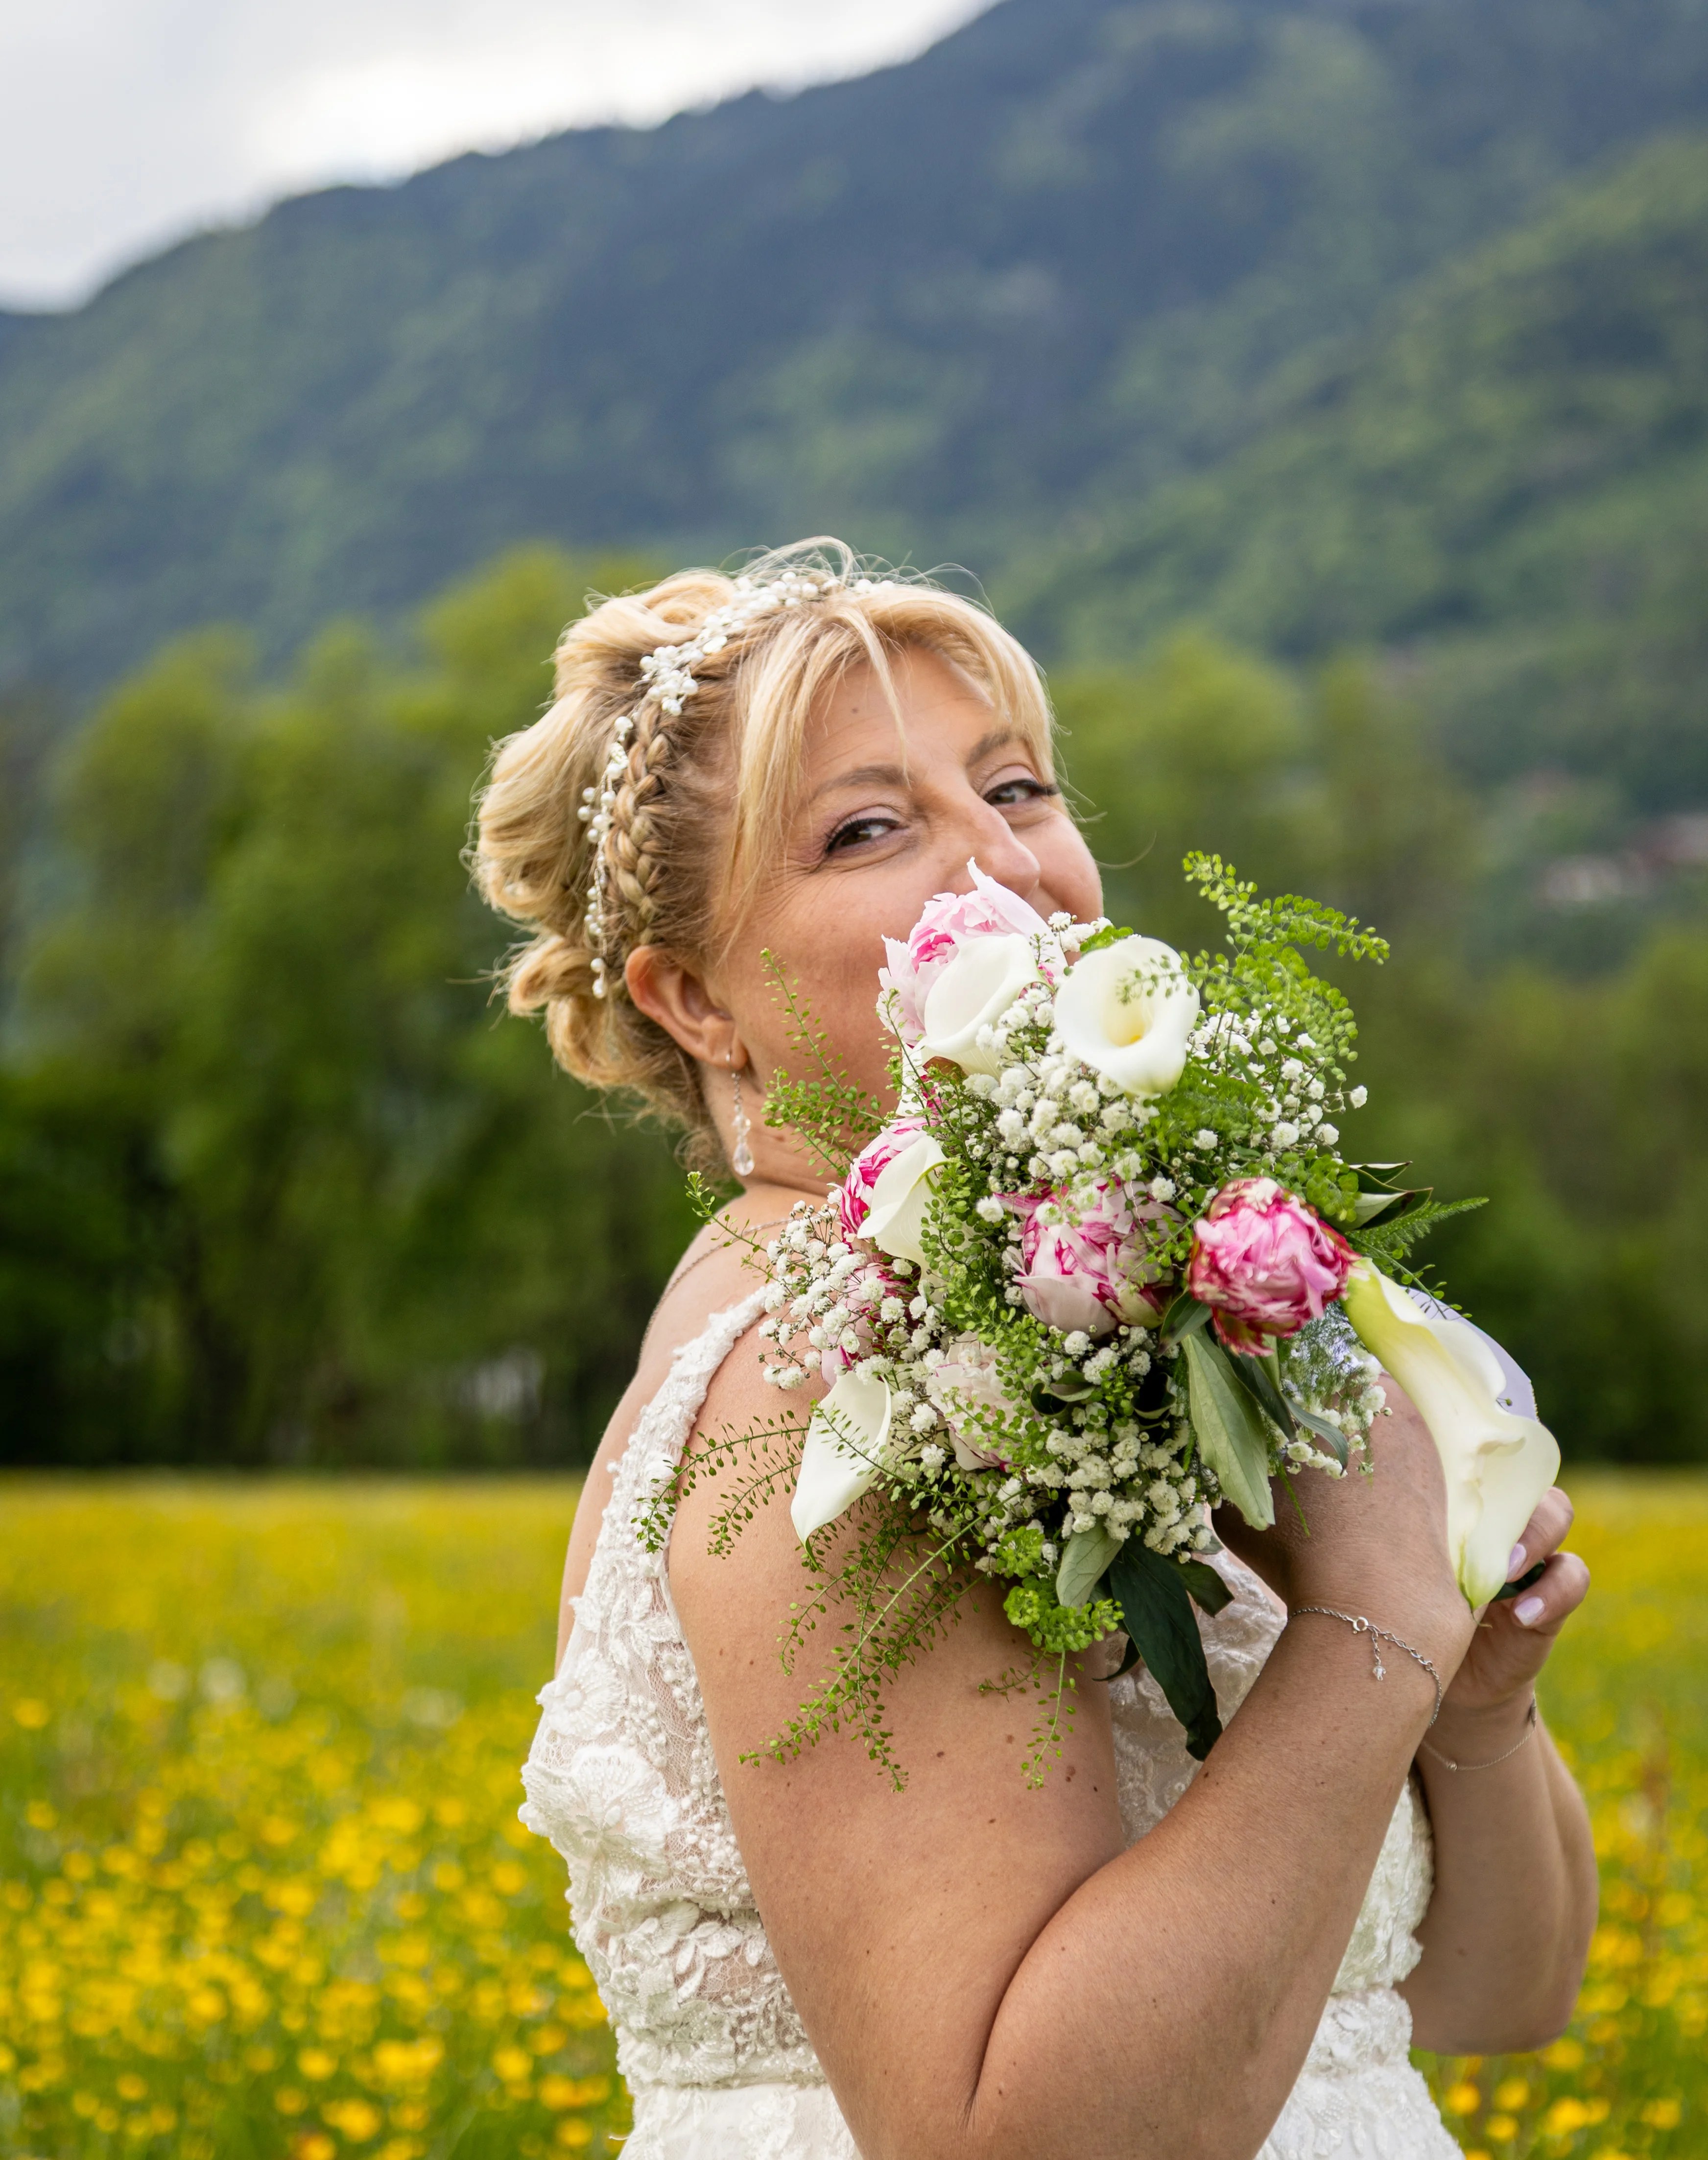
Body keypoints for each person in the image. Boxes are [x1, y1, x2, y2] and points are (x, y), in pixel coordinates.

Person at [475, 541, 1597, 2160]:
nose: (1005, 865)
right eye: (870, 825)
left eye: (1020, 788)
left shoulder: (1089, 1315)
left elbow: (1488, 1993)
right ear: (693, 999)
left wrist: (1466, 1705)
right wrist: (1369, 1622)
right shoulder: (842, 1379)